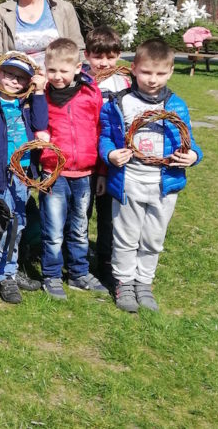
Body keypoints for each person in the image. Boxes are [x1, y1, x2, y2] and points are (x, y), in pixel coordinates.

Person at [99, 38, 202, 313]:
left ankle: (144, 283)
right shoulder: (119, 103)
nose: (153, 79)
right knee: (126, 235)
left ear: (170, 72)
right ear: (133, 68)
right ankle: (124, 282)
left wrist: (194, 156)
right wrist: (109, 155)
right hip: (129, 180)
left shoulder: (176, 105)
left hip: (163, 184)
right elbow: (106, 137)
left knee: (153, 238)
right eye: (146, 72)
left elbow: (188, 140)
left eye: (160, 73)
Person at [37, 38, 107, 300]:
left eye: (63, 71)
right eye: (51, 70)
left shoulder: (90, 94)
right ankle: (52, 275)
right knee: (53, 229)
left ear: (78, 67)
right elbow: (38, 125)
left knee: (79, 228)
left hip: (85, 174)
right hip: (54, 173)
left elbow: (100, 131)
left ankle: (78, 273)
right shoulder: (42, 96)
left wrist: (101, 171)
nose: (56, 76)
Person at [0, 53, 48, 303]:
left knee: (17, 224)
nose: (14, 81)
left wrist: (39, 92)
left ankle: (10, 266)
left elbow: (41, 123)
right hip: (0, 175)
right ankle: (4, 273)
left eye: (20, 78)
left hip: (22, 175)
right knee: (4, 223)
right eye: (9, 74)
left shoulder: (25, 103)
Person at [82, 26, 131, 285]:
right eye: (97, 57)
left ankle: (105, 259)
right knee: (80, 210)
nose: (103, 63)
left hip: (112, 156)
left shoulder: (124, 83)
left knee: (108, 212)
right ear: (87, 55)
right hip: (85, 152)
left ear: (118, 55)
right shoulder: (80, 80)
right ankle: (76, 256)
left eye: (110, 57)